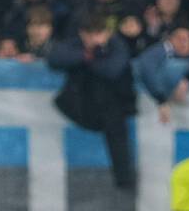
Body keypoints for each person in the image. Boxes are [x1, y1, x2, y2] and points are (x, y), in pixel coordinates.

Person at [48, 12, 137, 190]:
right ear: (82, 33)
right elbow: (54, 58)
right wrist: (87, 56)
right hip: (82, 104)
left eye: (98, 33)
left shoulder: (117, 45)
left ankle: (123, 180)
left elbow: (113, 70)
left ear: (107, 33)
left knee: (116, 128)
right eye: (89, 33)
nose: (94, 38)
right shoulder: (75, 45)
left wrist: (90, 57)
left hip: (113, 106)